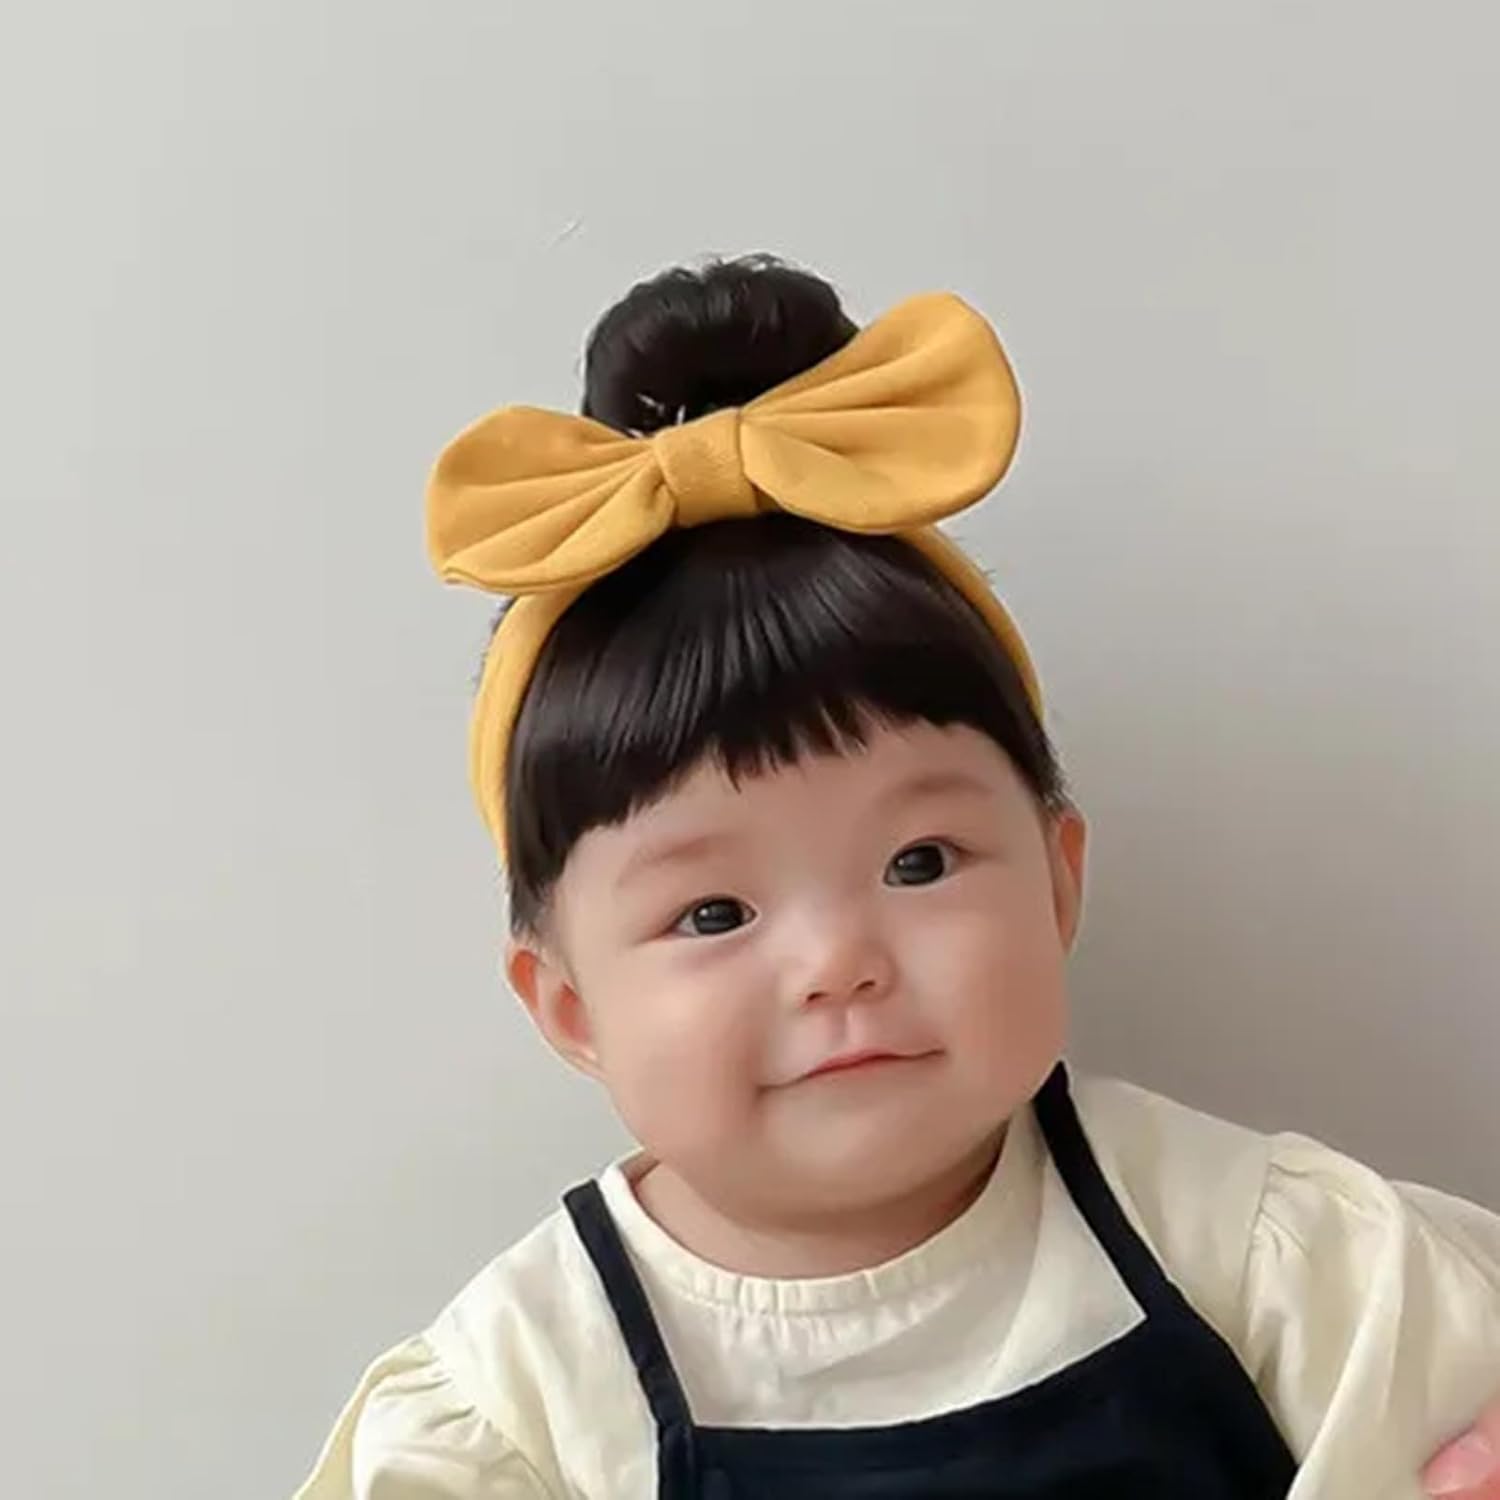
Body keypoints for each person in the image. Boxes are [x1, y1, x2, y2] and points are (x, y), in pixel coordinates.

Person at [294, 256, 1500, 1498]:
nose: (838, 963)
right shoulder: (527, 1405)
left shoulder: (1268, 1261)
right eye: (713, 912)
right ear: (570, 1007)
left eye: (918, 862)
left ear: (1058, 882)